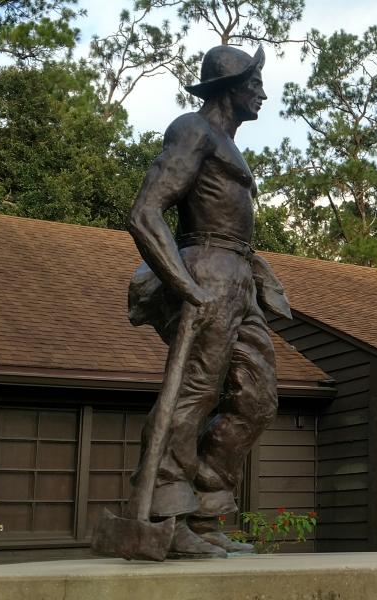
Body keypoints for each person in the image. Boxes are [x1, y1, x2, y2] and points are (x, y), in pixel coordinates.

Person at [123, 45, 289, 558]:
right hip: (205, 270)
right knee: (196, 392)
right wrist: (184, 285)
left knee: (258, 398)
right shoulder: (193, 130)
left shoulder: (228, 144)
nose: (262, 92)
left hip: (240, 275)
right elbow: (146, 212)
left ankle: (205, 509)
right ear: (231, 87)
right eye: (255, 82)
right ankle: (166, 515)